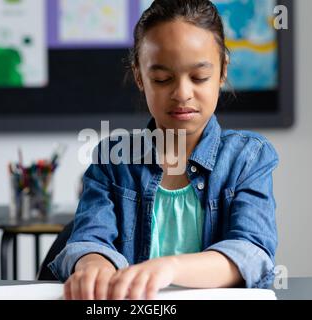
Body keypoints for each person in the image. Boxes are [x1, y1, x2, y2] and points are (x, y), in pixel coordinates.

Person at [48, 0, 279, 300]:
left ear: (222, 71)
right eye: (162, 79)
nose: (182, 93)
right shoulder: (112, 159)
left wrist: (169, 268)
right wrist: (93, 265)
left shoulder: (248, 158)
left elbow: (252, 252)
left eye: (199, 77)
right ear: (140, 76)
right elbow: (89, 240)